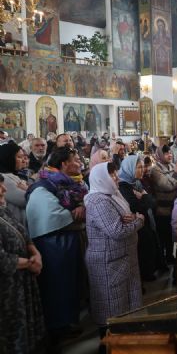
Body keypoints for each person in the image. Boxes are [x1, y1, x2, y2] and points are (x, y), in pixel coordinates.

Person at [25, 147, 88, 348]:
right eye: (75, 160)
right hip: (53, 244)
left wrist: (82, 207)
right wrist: (77, 214)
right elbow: (52, 216)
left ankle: (67, 323)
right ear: (64, 164)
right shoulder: (43, 186)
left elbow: (83, 204)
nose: (80, 163)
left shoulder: (73, 183)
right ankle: (56, 329)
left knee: (70, 285)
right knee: (56, 287)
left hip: (67, 241)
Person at [85, 162, 144, 343]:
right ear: (101, 178)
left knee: (126, 306)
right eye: (111, 175)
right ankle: (110, 347)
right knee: (112, 310)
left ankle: (125, 345)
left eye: (115, 173)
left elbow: (125, 218)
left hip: (123, 259)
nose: (116, 177)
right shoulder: (98, 201)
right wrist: (139, 220)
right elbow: (117, 231)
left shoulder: (112, 194)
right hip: (109, 263)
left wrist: (132, 218)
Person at [0, 173, 45, 354]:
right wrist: (30, 263)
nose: (4, 189)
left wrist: (35, 253)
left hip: (22, 282)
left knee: (27, 330)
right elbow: (2, 259)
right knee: (13, 335)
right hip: (7, 290)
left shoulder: (3, 211)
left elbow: (23, 233)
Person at [118, 155, 161, 282]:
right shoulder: (123, 186)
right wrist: (145, 197)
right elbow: (136, 207)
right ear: (130, 168)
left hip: (143, 221)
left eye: (143, 167)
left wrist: (143, 197)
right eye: (139, 167)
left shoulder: (136, 182)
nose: (143, 170)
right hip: (136, 226)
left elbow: (153, 202)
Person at [151, 144, 177, 264]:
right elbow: (167, 186)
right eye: (166, 153)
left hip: (174, 207)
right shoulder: (155, 169)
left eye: (170, 152)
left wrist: (176, 178)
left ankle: (169, 256)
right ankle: (162, 260)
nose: (169, 155)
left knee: (171, 234)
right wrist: (176, 174)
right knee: (163, 235)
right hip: (162, 209)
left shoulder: (172, 166)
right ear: (160, 155)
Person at [0, 142, 30, 224]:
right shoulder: (4, 178)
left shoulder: (12, 175)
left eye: (23, 157)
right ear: (8, 158)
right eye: (19, 157)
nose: (23, 160)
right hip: (16, 222)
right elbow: (25, 200)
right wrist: (29, 188)